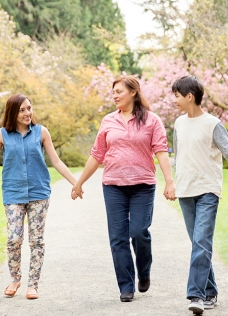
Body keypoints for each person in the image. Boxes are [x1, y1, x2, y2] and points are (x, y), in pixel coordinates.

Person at [71, 76, 174, 302]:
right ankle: (126, 285)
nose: (115, 96)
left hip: (143, 185)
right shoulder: (108, 121)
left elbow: (161, 151)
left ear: (133, 92)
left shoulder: (151, 120)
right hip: (113, 186)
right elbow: (97, 155)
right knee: (118, 238)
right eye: (113, 92)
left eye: (119, 91)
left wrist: (169, 181)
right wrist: (79, 183)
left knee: (138, 233)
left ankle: (144, 270)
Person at [0, 94, 77, 300]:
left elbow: (57, 162)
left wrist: (75, 183)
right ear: (13, 113)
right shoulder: (2, 135)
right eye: (22, 110)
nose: (27, 113)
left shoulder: (41, 132)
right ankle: (15, 278)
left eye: (29, 108)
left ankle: (33, 284)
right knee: (13, 238)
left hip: (38, 192)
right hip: (13, 193)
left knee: (37, 240)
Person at [171, 76, 228, 316]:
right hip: (185, 191)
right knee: (198, 244)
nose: (174, 100)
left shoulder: (213, 123)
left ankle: (196, 295)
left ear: (189, 97)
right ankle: (211, 291)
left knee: (202, 242)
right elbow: (178, 155)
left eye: (176, 95)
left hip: (207, 190)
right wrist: (173, 182)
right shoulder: (178, 124)